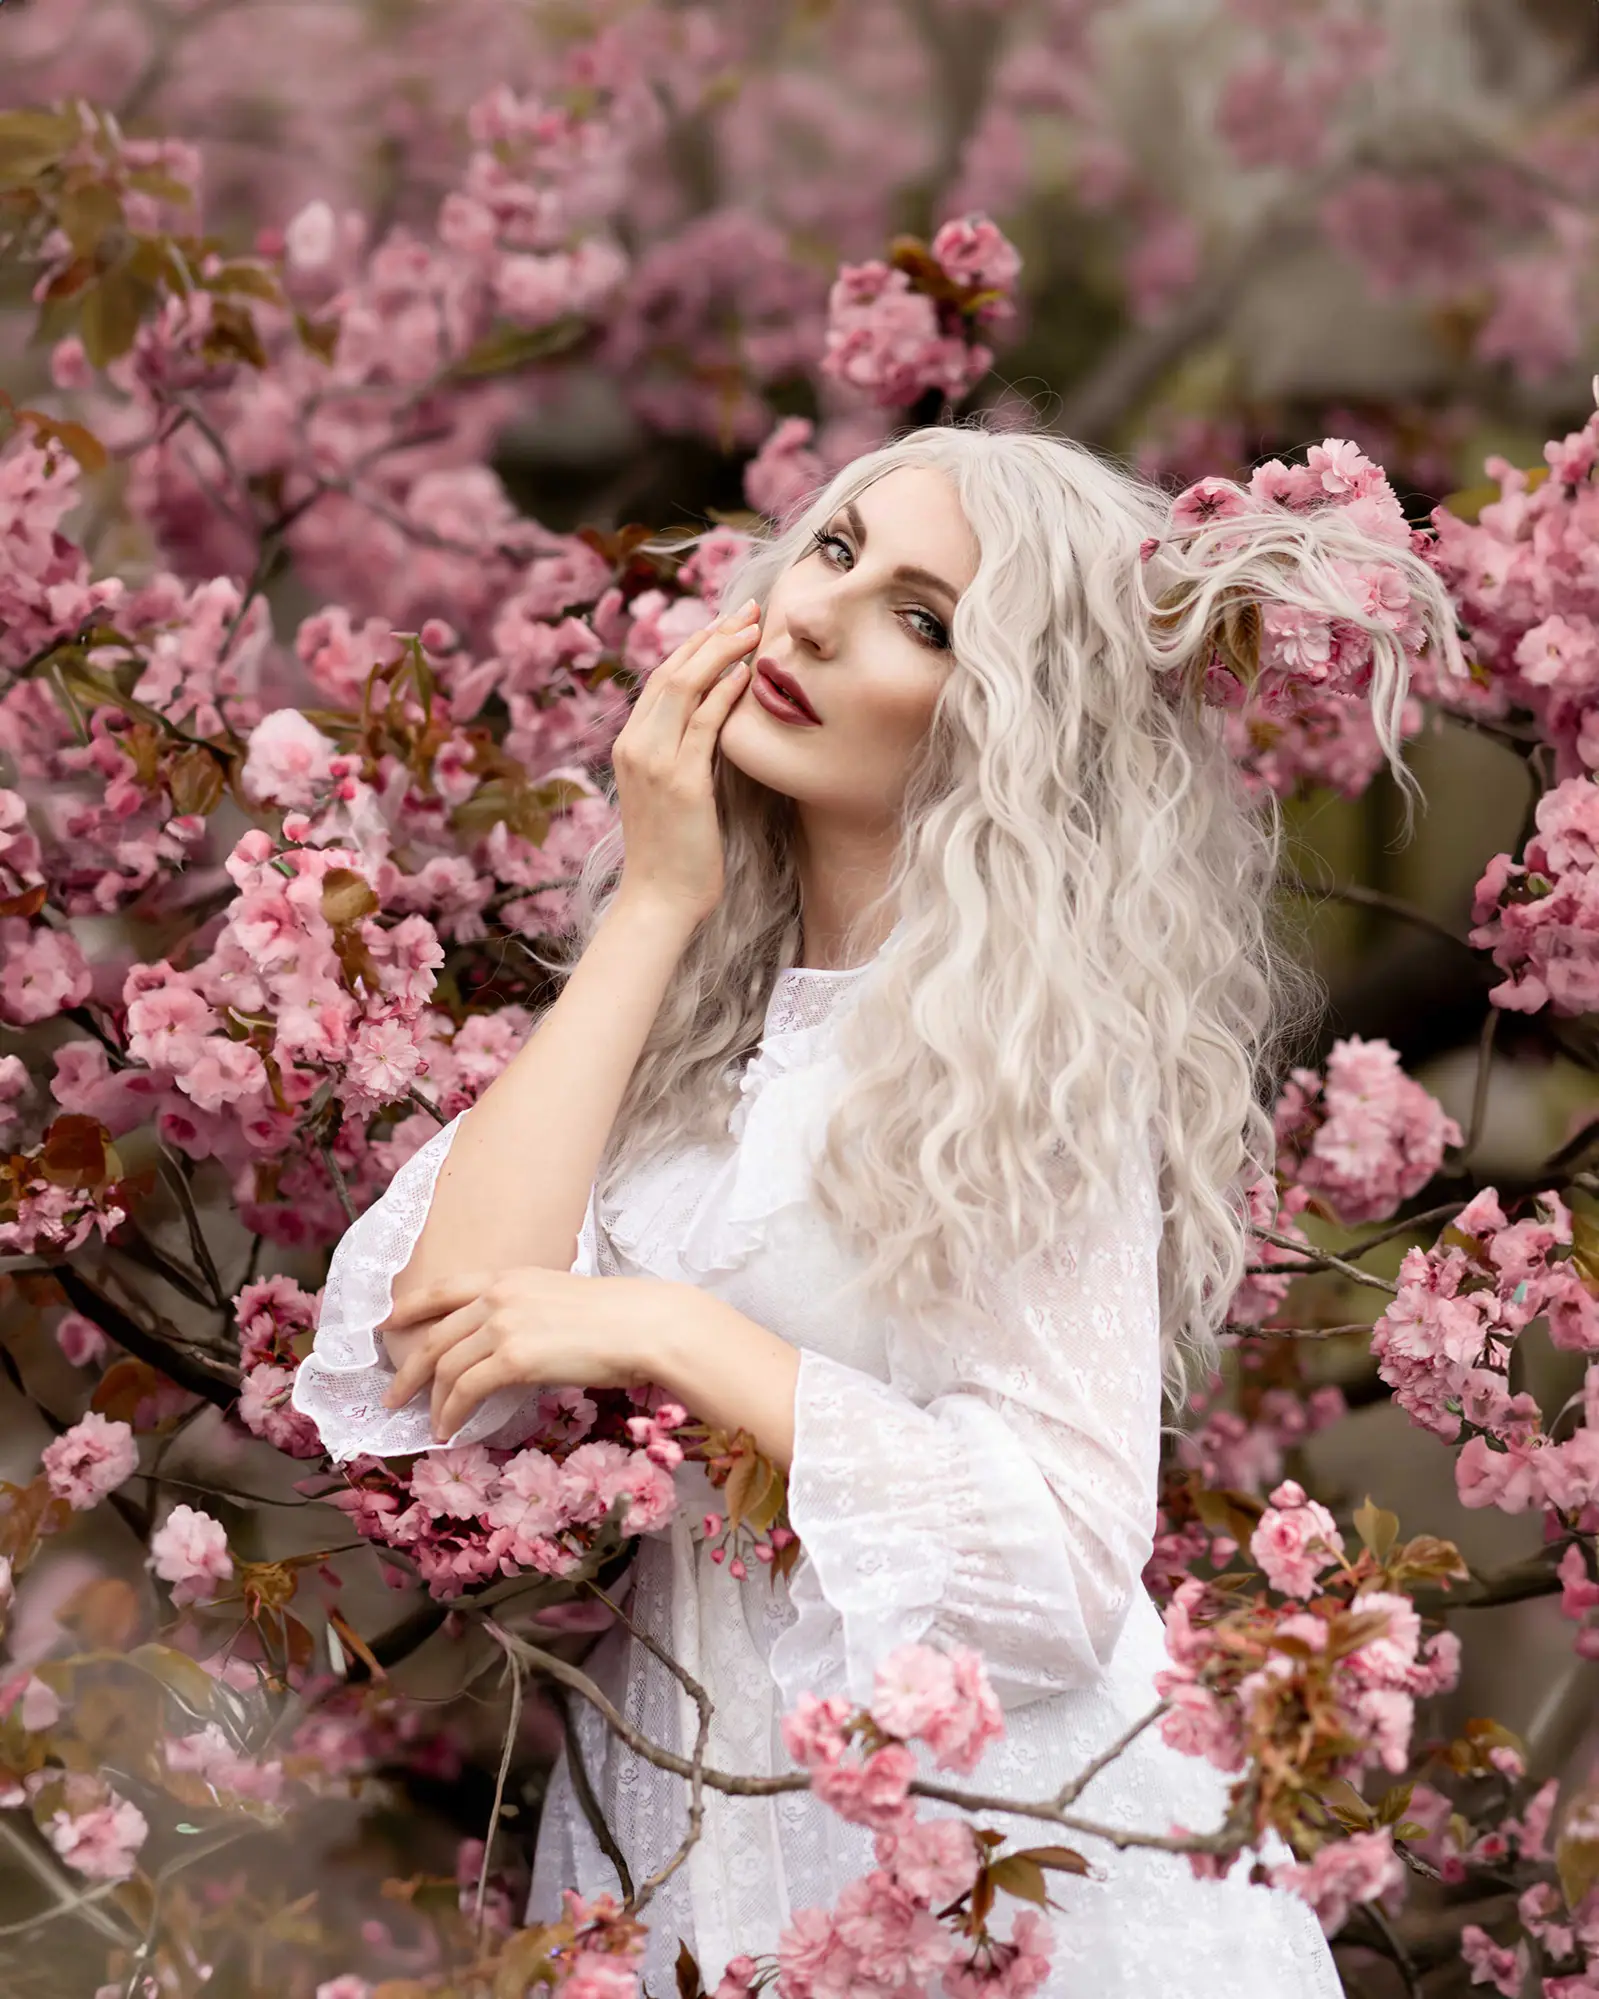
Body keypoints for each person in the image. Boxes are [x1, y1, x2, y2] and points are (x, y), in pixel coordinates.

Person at [291, 420, 1462, 1997]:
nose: (820, 614)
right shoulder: (700, 1019)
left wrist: (672, 1327)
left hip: (1004, 1870)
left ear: (1005, 724)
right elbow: (426, 1344)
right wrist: (652, 902)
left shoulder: (1035, 1062)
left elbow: (1057, 1561)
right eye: (833, 550)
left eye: (923, 619)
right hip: (699, 1816)